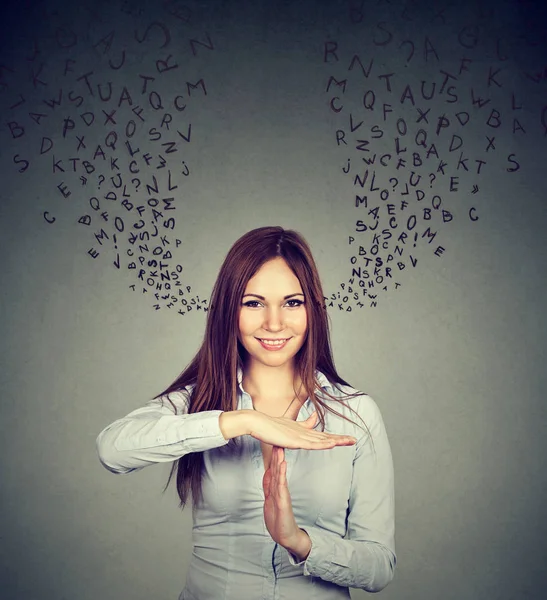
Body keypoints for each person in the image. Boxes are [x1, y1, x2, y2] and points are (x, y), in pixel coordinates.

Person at [96, 226, 396, 599]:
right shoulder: (200, 401)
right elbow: (112, 449)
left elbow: (379, 566)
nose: (273, 323)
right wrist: (243, 421)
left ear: (313, 309)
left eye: (292, 302)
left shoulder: (356, 413)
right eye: (253, 303)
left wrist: (299, 541)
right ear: (229, 310)